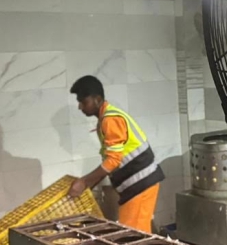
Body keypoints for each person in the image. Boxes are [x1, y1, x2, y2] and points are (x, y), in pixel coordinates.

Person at [68, 75, 164, 233]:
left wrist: (85, 182)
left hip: (141, 183)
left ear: (98, 99)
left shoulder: (110, 119)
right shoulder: (107, 118)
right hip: (138, 184)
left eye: (83, 102)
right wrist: (90, 183)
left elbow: (113, 161)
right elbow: (111, 159)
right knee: (135, 234)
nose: (80, 107)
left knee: (133, 237)